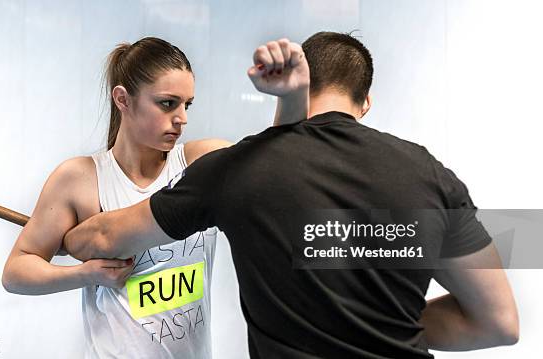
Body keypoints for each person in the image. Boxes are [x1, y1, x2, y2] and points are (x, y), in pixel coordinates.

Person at [63, 32, 519, 358]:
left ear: (305, 87)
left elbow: (100, 238)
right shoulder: (430, 175)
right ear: (365, 102)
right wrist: (376, 322)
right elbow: (498, 323)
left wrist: (67, 238)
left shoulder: (235, 170)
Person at [1, 37, 309, 359]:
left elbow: (277, 160)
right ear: (123, 99)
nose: (182, 118)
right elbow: (17, 271)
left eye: (186, 105)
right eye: (167, 103)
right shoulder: (79, 179)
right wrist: (86, 274)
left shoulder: (201, 162)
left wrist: (291, 95)